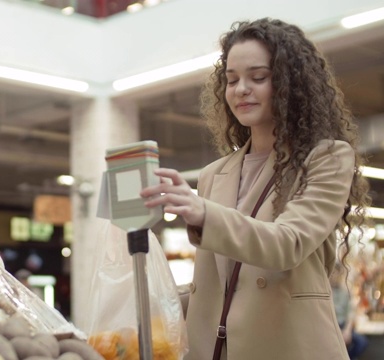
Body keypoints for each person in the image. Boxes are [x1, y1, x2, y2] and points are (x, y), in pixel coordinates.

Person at [140, 18, 371, 360]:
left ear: (291, 84)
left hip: (291, 347)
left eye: (258, 77)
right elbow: (215, 288)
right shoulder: (213, 174)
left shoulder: (327, 158)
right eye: (231, 80)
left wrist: (203, 212)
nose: (241, 89)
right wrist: (148, 299)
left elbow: (287, 243)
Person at [331, 262, 369, 359]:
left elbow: (350, 314)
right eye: (332, 272)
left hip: (343, 325)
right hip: (332, 327)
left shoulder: (344, 292)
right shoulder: (326, 292)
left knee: (362, 342)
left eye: (336, 273)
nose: (334, 275)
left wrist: (347, 331)